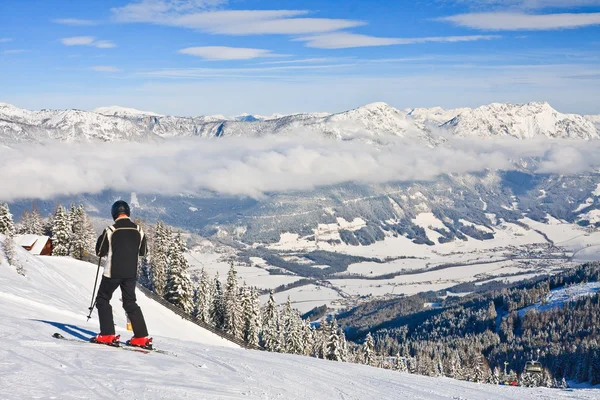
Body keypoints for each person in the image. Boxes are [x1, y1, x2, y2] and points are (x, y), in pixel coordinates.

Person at [92, 200, 151, 348]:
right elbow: (143, 252)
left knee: (102, 299)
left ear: (114, 214)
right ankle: (141, 337)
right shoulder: (139, 230)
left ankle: (107, 335)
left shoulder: (110, 230)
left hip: (112, 272)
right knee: (130, 302)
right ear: (128, 212)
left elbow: (100, 252)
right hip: (130, 273)